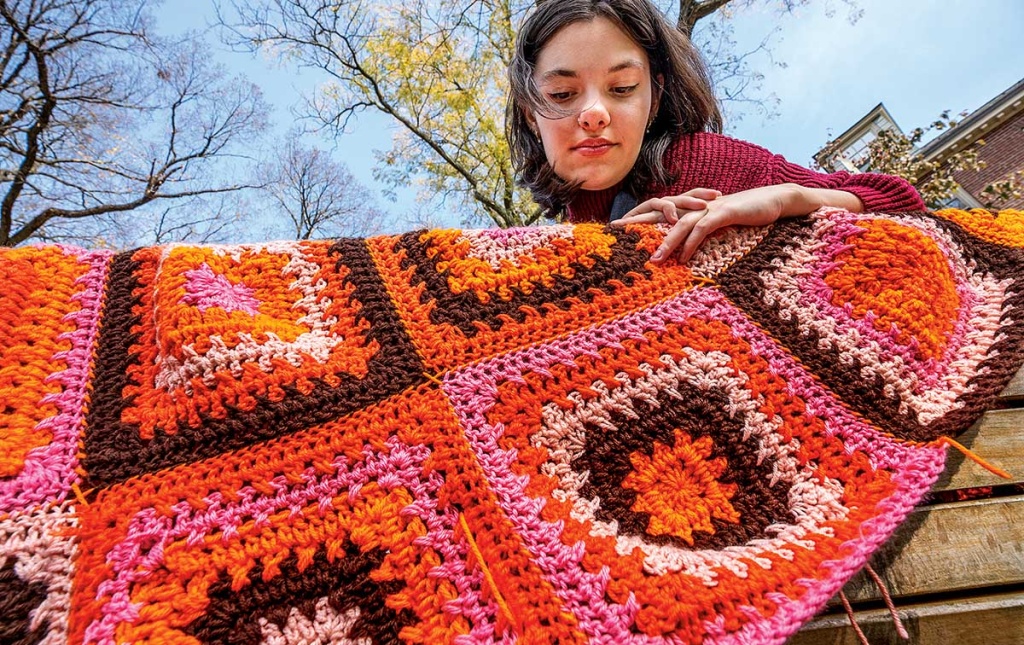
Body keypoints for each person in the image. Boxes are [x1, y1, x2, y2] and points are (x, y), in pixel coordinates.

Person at [506, 0, 926, 264]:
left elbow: (901, 205)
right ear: (529, 114)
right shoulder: (567, 227)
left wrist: (789, 197)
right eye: (562, 94)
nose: (594, 114)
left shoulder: (706, 158)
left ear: (654, 99)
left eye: (622, 88)